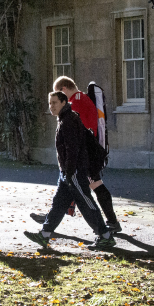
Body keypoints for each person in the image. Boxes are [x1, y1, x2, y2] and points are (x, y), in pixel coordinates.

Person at [24, 91, 116, 250]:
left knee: (86, 203)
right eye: (50, 103)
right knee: (59, 203)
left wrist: (69, 172)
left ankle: (105, 236)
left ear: (64, 103)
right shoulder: (66, 118)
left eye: (54, 103)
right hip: (67, 171)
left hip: (74, 172)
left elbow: (72, 150)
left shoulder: (69, 121)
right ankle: (44, 234)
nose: (51, 106)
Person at [53, 76, 120, 233]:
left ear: (63, 90)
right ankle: (51, 220)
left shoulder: (76, 102)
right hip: (88, 151)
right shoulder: (81, 98)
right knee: (85, 184)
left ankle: (108, 225)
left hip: (86, 154)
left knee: (91, 185)